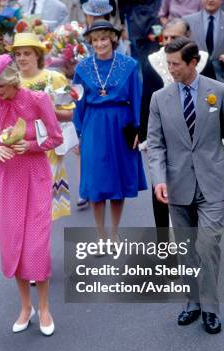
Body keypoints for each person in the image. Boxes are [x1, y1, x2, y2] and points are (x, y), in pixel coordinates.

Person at [147, 37, 224, 334]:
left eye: (175, 64)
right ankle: (193, 303)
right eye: (168, 63)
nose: (170, 69)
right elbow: (156, 145)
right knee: (187, 247)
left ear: (193, 63)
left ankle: (211, 309)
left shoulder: (220, 92)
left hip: (213, 181)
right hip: (178, 184)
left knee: (207, 244)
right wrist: (159, 180)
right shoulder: (159, 98)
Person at [0, 54, 63, 336]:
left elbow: (55, 138)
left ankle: (43, 307)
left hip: (37, 175)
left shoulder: (38, 100)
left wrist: (28, 145)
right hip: (9, 180)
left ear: (12, 80)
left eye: (0, 86)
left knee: (37, 246)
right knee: (13, 243)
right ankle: (25, 307)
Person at [72, 20, 147, 244]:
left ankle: (114, 233)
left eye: (104, 38)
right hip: (93, 125)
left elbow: (137, 98)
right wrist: (77, 133)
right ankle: (100, 235)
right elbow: (78, 102)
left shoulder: (129, 65)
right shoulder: (82, 68)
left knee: (117, 182)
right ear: (90, 42)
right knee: (96, 183)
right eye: (95, 40)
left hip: (121, 125)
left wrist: (138, 130)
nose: (100, 43)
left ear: (112, 39)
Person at [140, 18, 212, 237]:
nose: (168, 42)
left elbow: (214, 99)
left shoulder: (203, 61)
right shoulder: (153, 61)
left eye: (175, 37)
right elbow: (146, 100)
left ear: (188, 37)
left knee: (196, 189)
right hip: (164, 138)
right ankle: (164, 241)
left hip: (196, 137)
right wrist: (142, 132)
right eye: (166, 37)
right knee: (160, 186)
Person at [5, 32, 74, 220]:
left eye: (27, 53)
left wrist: (51, 112)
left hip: (48, 149)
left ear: (37, 54)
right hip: (21, 152)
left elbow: (71, 113)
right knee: (25, 211)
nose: (22, 58)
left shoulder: (55, 78)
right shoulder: (11, 83)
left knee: (43, 211)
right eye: (18, 54)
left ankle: (40, 248)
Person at [183, 0, 224, 92]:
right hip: (193, 78)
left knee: (221, 106)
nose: (210, 0)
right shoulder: (188, 21)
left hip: (222, 78)